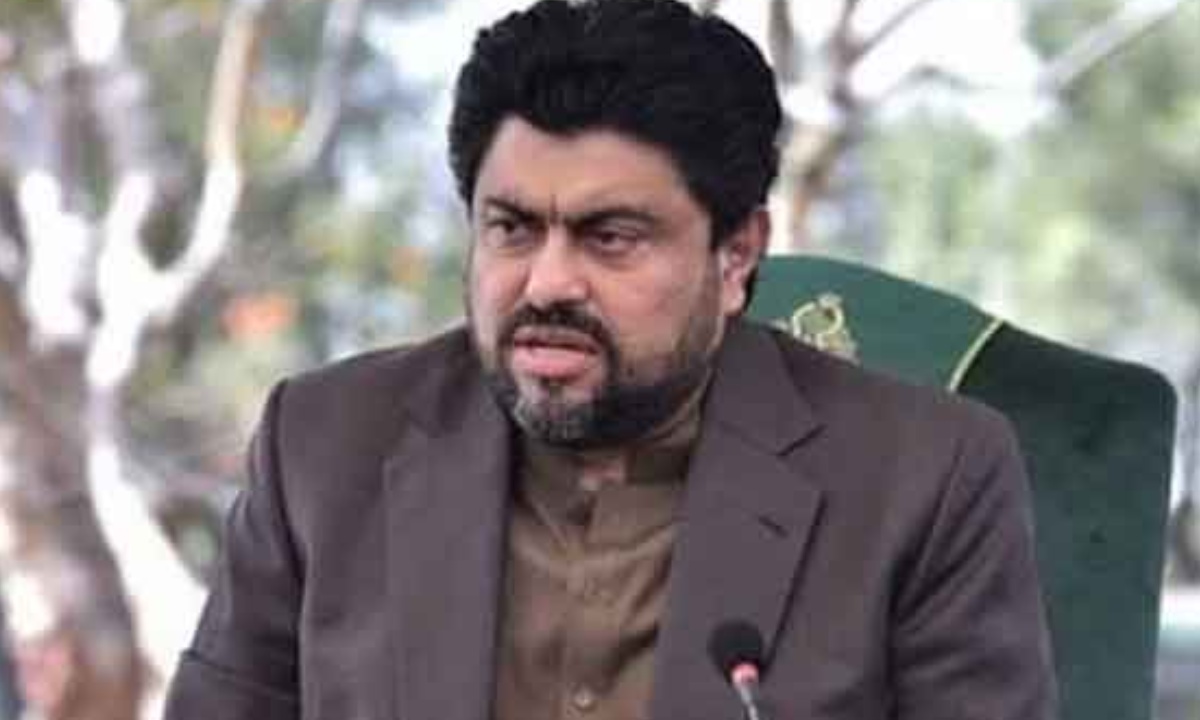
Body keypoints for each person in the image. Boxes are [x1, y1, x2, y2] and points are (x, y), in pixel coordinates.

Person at [162, 0, 1057, 718]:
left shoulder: (923, 479)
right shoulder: (326, 447)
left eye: (611, 236)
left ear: (736, 255)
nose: (548, 282)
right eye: (512, 228)